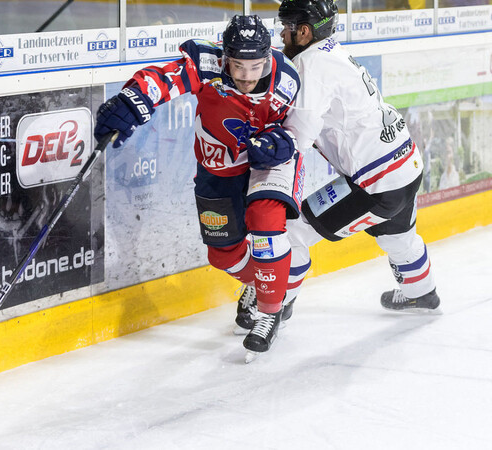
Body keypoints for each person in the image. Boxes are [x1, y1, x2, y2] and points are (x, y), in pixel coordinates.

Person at [93, 15, 303, 361]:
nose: (247, 77)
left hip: (267, 163)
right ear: (225, 58)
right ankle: (266, 281)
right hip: (218, 167)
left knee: (264, 222)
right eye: (238, 66)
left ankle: (270, 310)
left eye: (255, 67)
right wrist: (130, 100)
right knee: (223, 254)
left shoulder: (287, 78)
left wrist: (284, 141)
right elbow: (164, 79)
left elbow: (301, 127)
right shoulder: (207, 64)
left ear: (268, 57)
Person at [272, 0, 440, 316]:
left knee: (292, 231)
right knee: (398, 236)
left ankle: (273, 307)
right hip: (406, 163)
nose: (281, 34)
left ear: (304, 32)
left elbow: (300, 134)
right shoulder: (332, 52)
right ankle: (422, 293)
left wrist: (267, 150)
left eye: (286, 27)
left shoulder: (310, 64)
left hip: (377, 182)